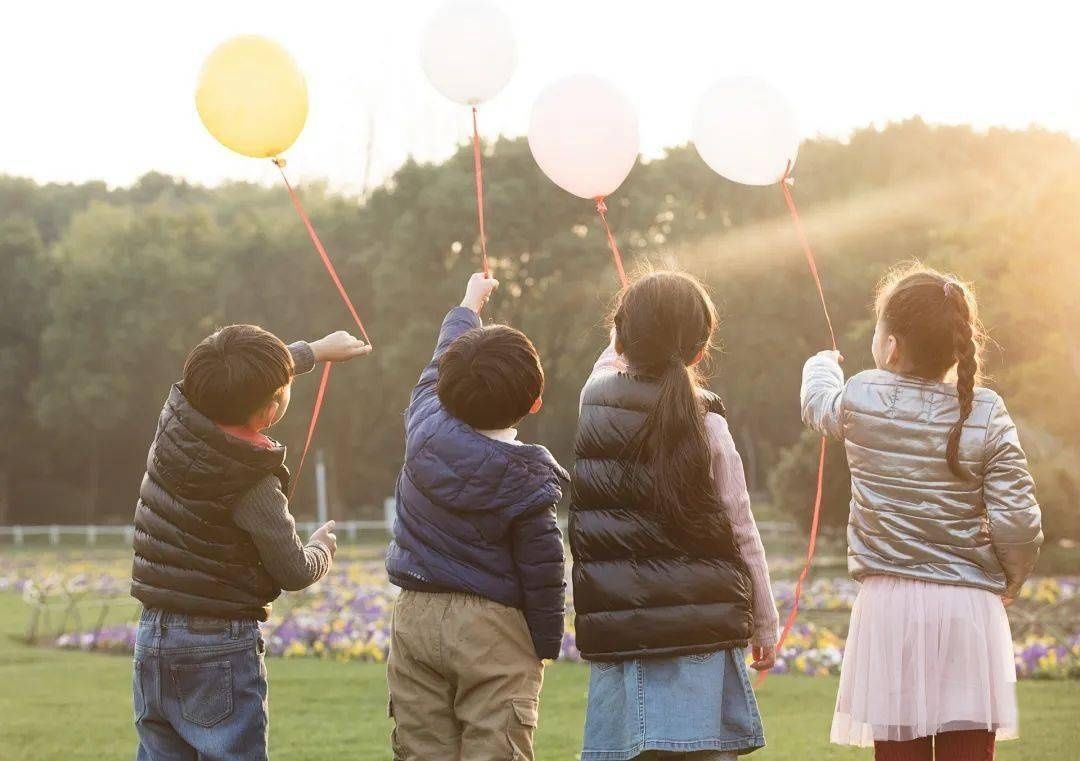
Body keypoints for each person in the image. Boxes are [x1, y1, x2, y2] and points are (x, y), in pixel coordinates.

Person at [802, 263, 1043, 761]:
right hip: (968, 607)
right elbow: (1019, 518)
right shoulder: (987, 410)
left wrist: (821, 364)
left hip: (890, 605)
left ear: (891, 345)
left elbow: (816, 404)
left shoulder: (861, 394)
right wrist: (1012, 580)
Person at [129, 325, 370, 761]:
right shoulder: (250, 479)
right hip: (217, 644)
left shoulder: (176, 420)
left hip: (153, 634)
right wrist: (321, 550)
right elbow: (293, 570)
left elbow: (233, 378)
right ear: (269, 409)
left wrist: (315, 351)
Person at [571, 270, 779, 761]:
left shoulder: (592, 401)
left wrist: (627, 327)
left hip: (624, 642)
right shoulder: (708, 423)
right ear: (701, 351)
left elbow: (610, 359)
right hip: (701, 638)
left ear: (621, 337)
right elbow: (741, 530)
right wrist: (765, 623)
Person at [385, 273, 569, 761]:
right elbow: (543, 569)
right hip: (493, 629)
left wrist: (468, 304)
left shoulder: (424, 420)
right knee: (496, 748)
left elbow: (441, 355)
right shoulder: (529, 481)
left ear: (445, 384)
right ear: (534, 403)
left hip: (415, 613)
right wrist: (545, 642)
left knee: (421, 749)